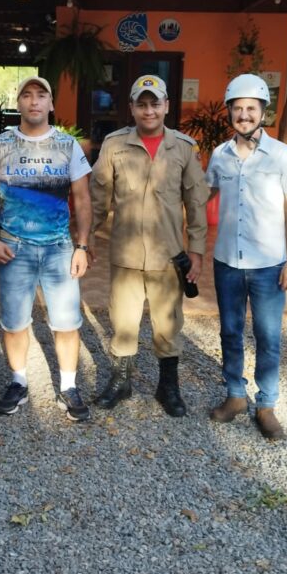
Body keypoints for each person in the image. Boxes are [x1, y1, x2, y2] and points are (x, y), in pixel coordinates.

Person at [90, 74, 209, 415]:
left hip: (168, 255)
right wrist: (84, 241)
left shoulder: (183, 148)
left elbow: (196, 202)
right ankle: (121, 381)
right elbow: (99, 196)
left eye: (155, 103)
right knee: (123, 320)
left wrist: (197, 252)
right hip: (126, 253)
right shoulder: (114, 145)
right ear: (131, 108)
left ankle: (167, 387)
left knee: (168, 322)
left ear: (166, 106)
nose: (148, 110)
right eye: (141, 104)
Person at [0, 76, 92, 422]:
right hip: (14, 249)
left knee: (67, 323)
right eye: (26, 95)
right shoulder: (0, 145)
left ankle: (69, 386)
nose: (34, 101)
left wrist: (82, 245)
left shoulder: (68, 147)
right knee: (14, 323)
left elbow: (84, 198)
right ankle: (18, 382)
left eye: (41, 95)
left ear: (51, 104)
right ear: (19, 104)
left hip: (59, 248)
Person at [207, 73, 287, 440]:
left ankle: (266, 405)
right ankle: (235, 395)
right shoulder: (220, 155)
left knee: (268, 337)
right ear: (230, 112)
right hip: (227, 264)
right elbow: (203, 196)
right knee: (230, 332)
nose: (244, 114)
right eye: (238, 108)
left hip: (269, 266)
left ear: (263, 111)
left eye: (251, 108)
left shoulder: (282, 155)